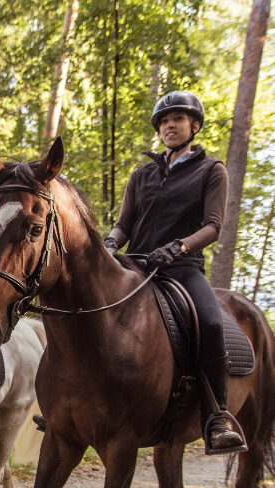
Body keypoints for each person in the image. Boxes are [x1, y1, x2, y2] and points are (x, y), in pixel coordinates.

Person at [103, 90, 244, 454]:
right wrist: (108, 244)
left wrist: (179, 247)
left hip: (181, 267)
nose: (169, 126)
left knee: (211, 323)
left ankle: (216, 416)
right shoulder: (142, 174)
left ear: (194, 126)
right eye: (164, 121)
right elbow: (124, 225)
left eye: (177, 119)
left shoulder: (212, 170)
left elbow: (213, 226)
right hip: (135, 264)